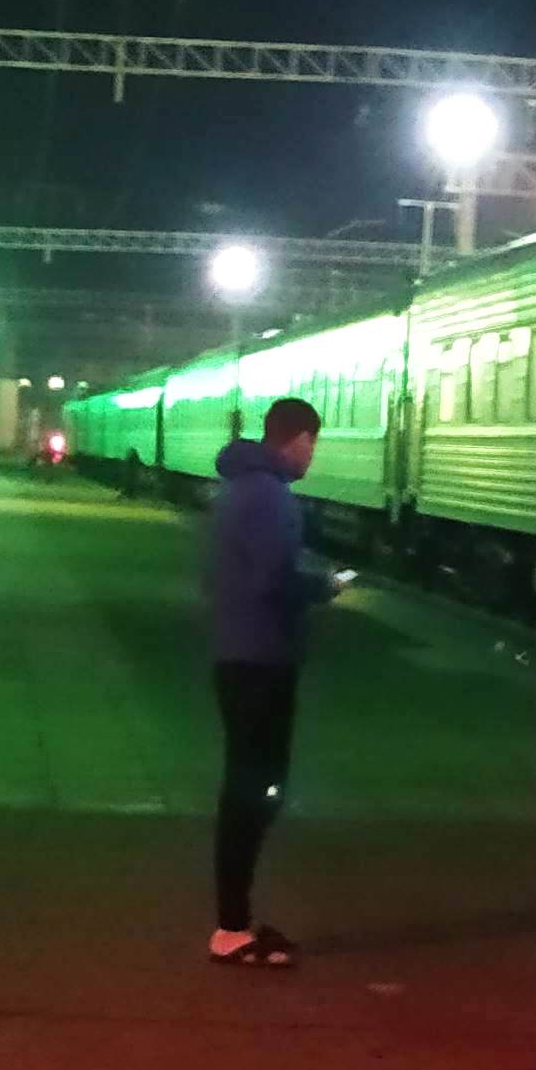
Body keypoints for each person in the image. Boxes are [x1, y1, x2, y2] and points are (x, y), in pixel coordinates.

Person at [204, 398, 344, 967]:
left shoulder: (239, 489)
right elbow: (274, 579)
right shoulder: (271, 496)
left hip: (237, 652)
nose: (313, 455)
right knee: (255, 791)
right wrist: (324, 587)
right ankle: (231, 928)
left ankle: (234, 920)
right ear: (300, 438)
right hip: (261, 660)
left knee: (251, 787)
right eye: (314, 443)